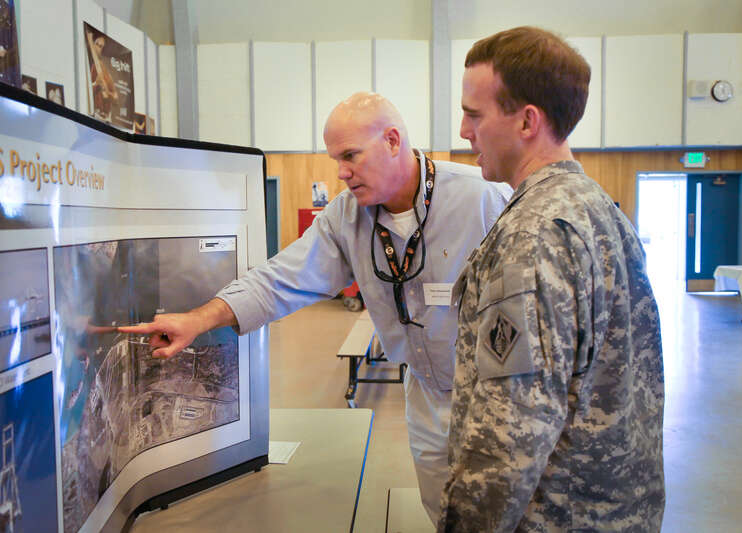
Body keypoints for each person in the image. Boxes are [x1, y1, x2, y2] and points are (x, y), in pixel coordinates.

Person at [119, 92, 510, 524]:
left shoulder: (484, 199)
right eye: (335, 159)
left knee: (502, 514)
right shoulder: (347, 218)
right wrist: (199, 319)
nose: (341, 173)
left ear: (393, 141)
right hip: (423, 391)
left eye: (350, 156)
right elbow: (279, 280)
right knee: (444, 511)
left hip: (493, 395)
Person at [439, 27, 665, 531]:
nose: (463, 130)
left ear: (526, 121)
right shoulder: (597, 209)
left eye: (474, 114)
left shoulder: (534, 235)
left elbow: (509, 436)